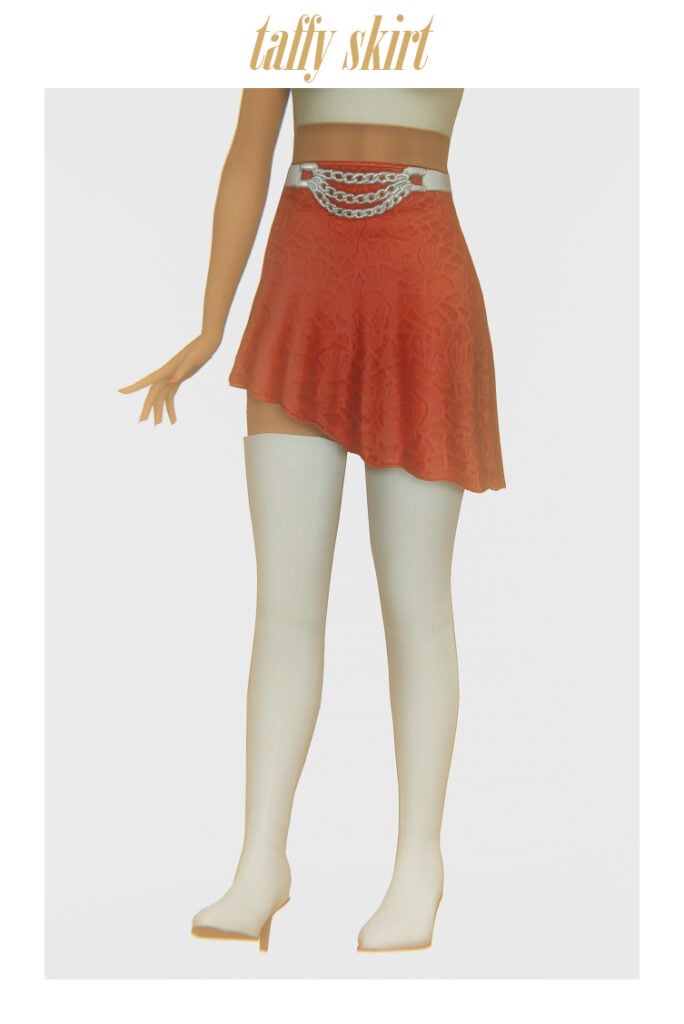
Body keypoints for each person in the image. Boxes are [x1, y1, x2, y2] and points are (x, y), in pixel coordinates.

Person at [118, 87, 506, 953]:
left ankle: (419, 862)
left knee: (416, 604)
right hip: (302, 272)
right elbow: (248, 148)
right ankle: (261, 859)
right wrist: (211, 323)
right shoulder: (285, 24)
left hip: (418, 273)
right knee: (284, 605)